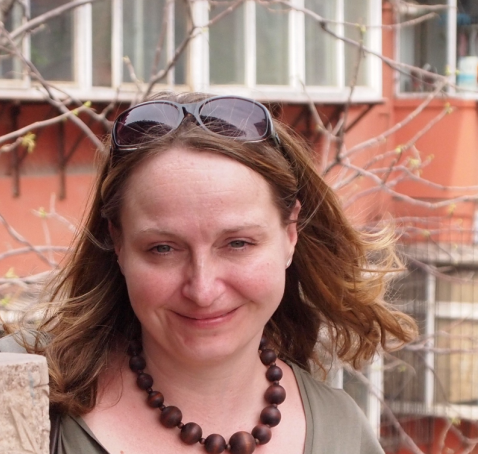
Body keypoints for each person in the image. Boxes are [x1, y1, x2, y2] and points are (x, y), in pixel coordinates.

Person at [1, 92, 417, 454]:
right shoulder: (21, 387)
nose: (202, 290)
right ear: (119, 243)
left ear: (290, 233)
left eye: (237, 244)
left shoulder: (343, 433)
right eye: (163, 249)